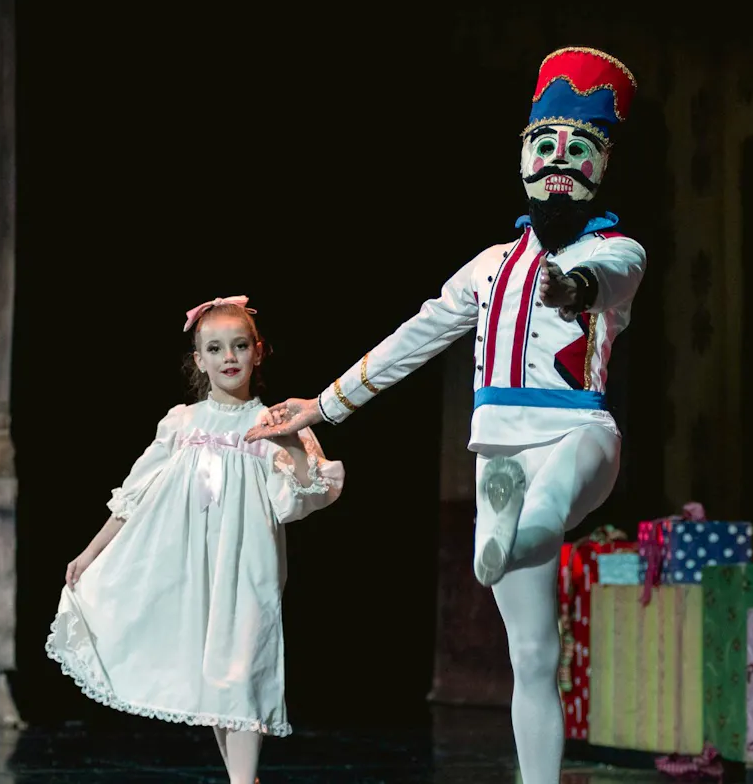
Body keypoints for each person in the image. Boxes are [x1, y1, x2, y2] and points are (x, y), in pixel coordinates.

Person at [245, 46, 646, 784]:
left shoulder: (619, 248)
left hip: (579, 433)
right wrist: (323, 407)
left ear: (601, 164)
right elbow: (414, 340)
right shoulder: (487, 268)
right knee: (532, 654)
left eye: (578, 148)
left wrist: (572, 287)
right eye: (544, 145)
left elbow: (605, 279)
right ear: (522, 157)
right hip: (500, 447)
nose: (560, 160)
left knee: (557, 491)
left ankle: (508, 531)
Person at [45, 296, 345, 784]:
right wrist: (90, 552)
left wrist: (289, 442)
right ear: (199, 360)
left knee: (241, 672)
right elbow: (136, 495)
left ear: (258, 351)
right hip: (187, 563)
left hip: (247, 564)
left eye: (240, 345)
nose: (229, 357)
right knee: (216, 686)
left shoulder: (274, 423)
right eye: (216, 348)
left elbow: (300, 499)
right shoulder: (182, 423)